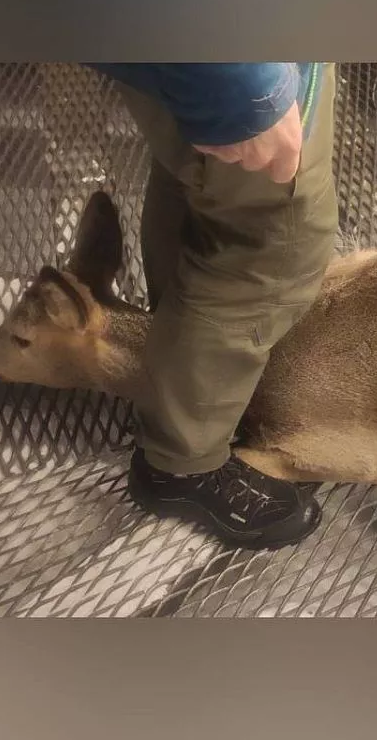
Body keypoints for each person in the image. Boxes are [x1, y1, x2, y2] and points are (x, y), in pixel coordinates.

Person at [86, 63, 337, 551]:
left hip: (207, 54)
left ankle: (189, 381)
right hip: (233, 56)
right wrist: (249, 91)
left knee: (204, 191)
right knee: (271, 245)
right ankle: (181, 464)